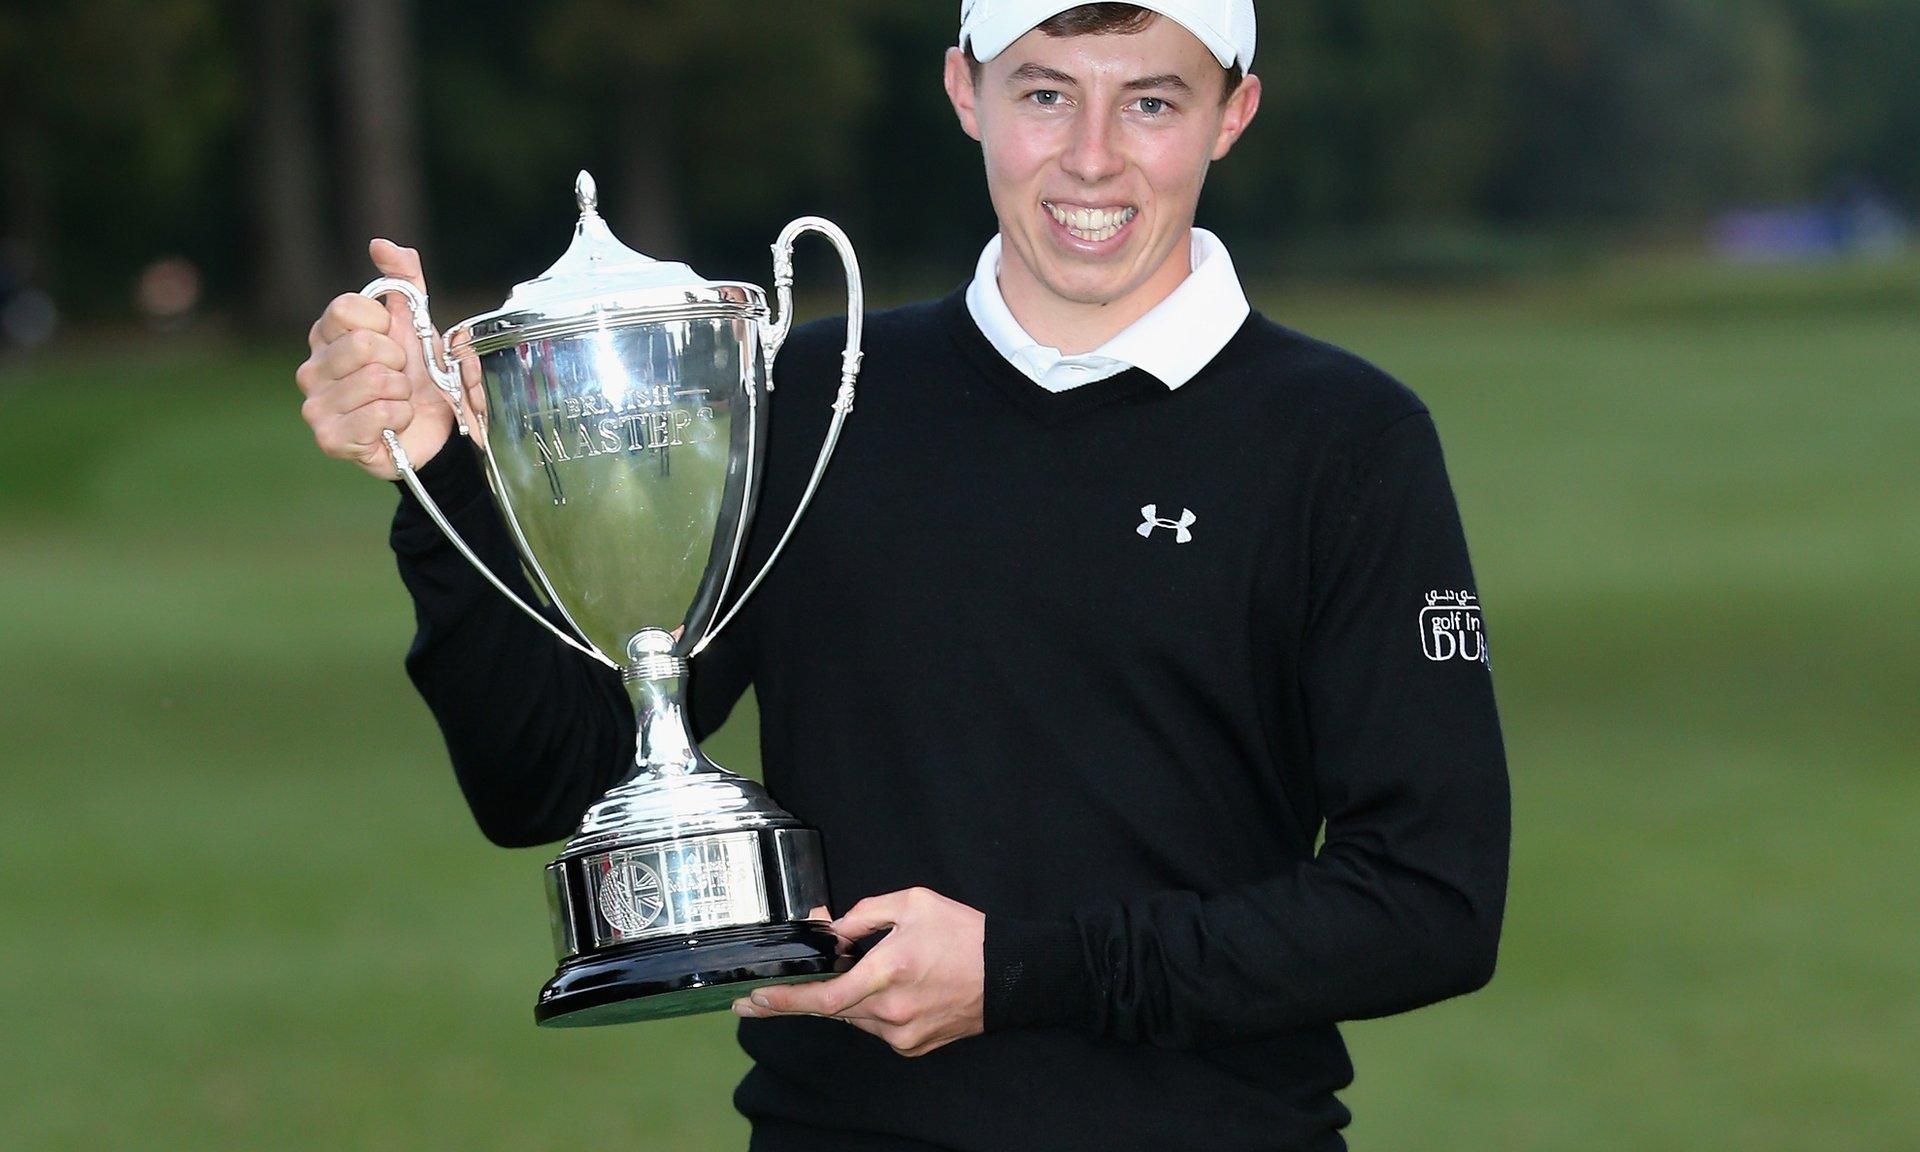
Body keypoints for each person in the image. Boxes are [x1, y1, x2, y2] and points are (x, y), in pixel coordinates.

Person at [293, 2, 1512, 1148]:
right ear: (963, 91)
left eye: (1149, 103)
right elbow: (551, 778)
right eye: (1044, 94)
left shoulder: (1343, 439)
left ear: (1230, 114)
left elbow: (1427, 903)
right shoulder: (811, 400)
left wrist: (1019, 976)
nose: (1091, 159)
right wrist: (440, 472)